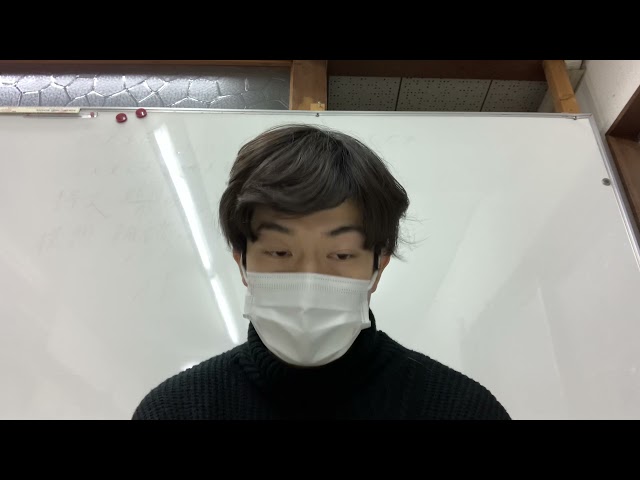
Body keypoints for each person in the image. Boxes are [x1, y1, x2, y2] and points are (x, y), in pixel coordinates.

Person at [132, 124, 510, 420]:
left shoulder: (465, 410)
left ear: (378, 266)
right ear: (241, 261)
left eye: (341, 255)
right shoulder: (172, 411)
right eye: (280, 252)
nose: (309, 281)